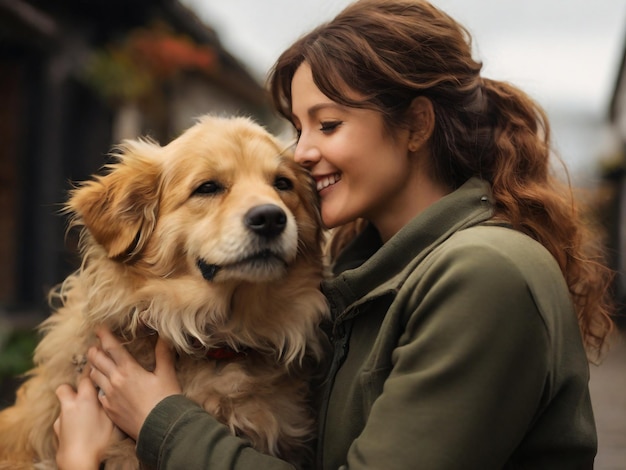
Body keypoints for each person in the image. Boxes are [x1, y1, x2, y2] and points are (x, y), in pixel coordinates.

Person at [54, 0, 615, 468]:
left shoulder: (482, 274)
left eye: (328, 124)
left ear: (417, 125)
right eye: (299, 128)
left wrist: (160, 422)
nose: (300, 155)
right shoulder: (364, 278)